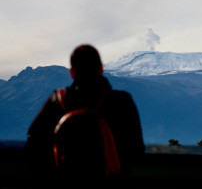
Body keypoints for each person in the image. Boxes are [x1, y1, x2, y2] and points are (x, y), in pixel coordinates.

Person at [25, 44, 145, 187]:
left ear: (72, 72)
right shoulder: (121, 101)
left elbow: (34, 142)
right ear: (101, 68)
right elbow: (136, 149)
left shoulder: (58, 100)